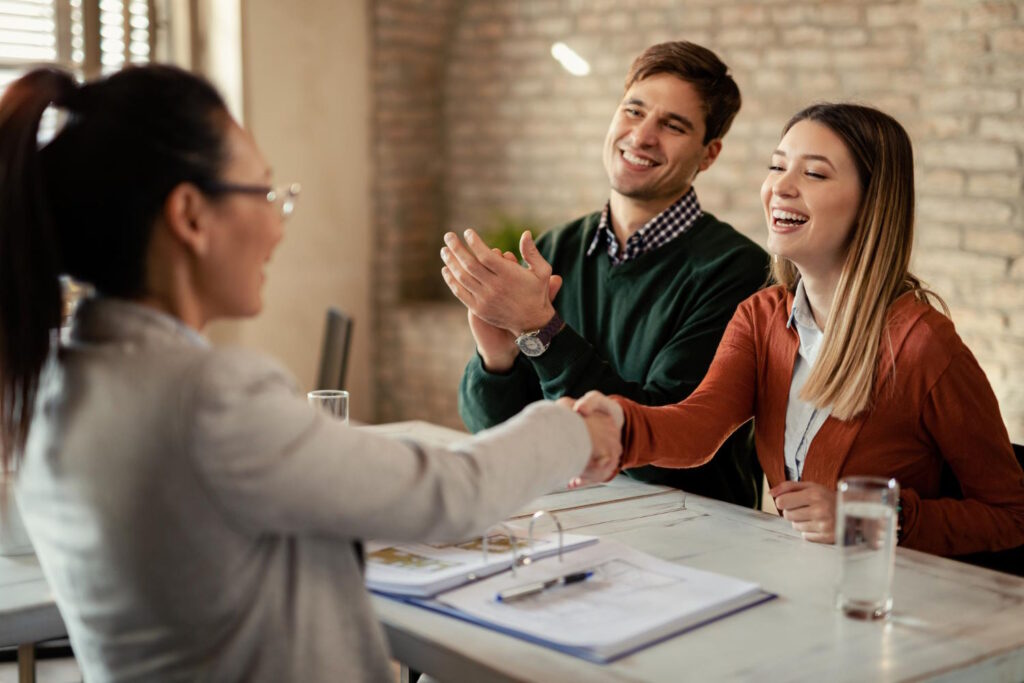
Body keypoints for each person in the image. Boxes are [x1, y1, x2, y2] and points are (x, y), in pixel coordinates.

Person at [0, 65, 620, 682]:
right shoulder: (206, 397)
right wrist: (574, 431)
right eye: (262, 193)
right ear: (190, 215)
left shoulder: (50, 381)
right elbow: (449, 495)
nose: (277, 225)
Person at [572, 103, 1024, 557]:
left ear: (872, 202)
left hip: (890, 602)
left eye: (815, 174)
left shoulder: (923, 345)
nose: (780, 187)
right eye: (777, 166)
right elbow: (699, 426)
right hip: (800, 581)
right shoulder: (761, 316)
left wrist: (872, 516)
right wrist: (620, 423)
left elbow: (1011, 515)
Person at [440, 42, 768, 508]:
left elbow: (660, 445)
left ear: (709, 154)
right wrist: (497, 359)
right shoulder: (554, 249)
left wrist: (541, 331)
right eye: (633, 111)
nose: (643, 136)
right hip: (573, 519)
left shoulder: (737, 271)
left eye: (673, 125)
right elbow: (495, 434)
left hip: (693, 538)